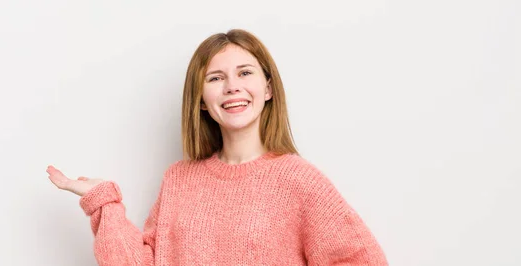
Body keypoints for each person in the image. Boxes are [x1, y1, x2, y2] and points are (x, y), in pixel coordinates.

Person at [47, 29, 388, 265]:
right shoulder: (179, 180)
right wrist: (103, 202)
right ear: (201, 101)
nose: (231, 87)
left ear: (268, 89)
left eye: (244, 73)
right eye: (215, 78)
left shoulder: (300, 181)